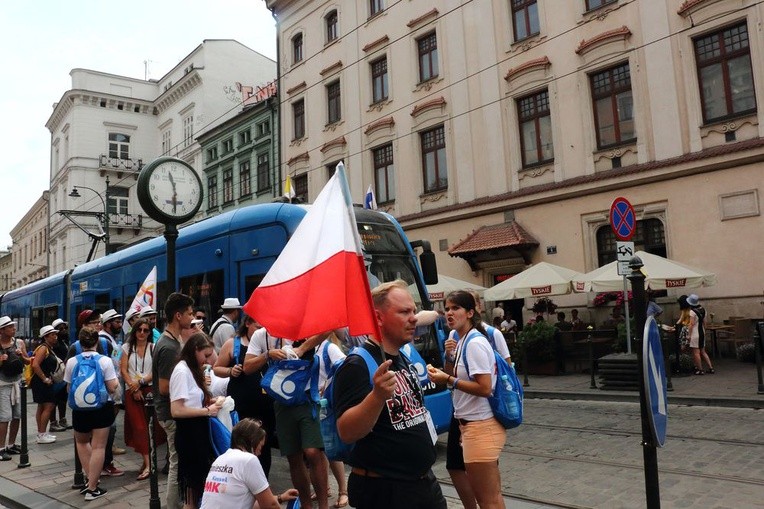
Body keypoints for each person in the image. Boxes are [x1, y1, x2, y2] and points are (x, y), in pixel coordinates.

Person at [333, 280, 447, 509]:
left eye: (413, 311)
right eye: (404, 312)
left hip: (423, 484)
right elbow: (346, 431)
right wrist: (376, 396)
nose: (413, 318)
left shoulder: (402, 356)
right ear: (378, 318)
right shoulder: (357, 364)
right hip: (386, 492)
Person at [427, 290, 505, 509]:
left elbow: (485, 388)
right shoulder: (461, 341)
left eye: (456, 308)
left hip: (480, 426)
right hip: (469, 425)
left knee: (488, 499)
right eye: (447, 309)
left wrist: (448, 379)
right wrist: (448, 359)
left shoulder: (475, 343)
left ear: (470, 312)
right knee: (489, 496)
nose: (449, 313)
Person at [246, 327, 330, 509]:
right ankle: (306, 505)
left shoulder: (302, 325)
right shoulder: (262, 334)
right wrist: (268, 354)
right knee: (293, 455)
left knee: (313, 451)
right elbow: (247, 366)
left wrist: (301, 348)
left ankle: (323, 506)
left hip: (307, 397)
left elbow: (326, 330)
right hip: (282, 400)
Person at [214, 314, 275, 477]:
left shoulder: (268, 342)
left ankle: (263, 481)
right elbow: (216, 368)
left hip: (265, 406)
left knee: (264, 445)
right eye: (257, 327)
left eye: (264, 328)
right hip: (241, 404)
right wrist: (230, 370)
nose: (261, 332)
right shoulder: (233, 344)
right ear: (247, 324)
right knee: (241, 443)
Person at [66, 309, 125, 477]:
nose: (98, 324)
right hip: (99, 400)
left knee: (106, 434)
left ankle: (101, 467)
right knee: (93, 439)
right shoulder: (75, 348)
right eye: (93, 322)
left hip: (95, 401)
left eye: (98, 321)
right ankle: (93, 475)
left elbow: (68, 384)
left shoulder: (104, 343)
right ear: (84, 327)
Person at [170, 332, 222, 509]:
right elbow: (176, 410)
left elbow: (191, 401)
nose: (208, 360)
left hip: (196, 432)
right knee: (192, 493)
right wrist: (207, 411)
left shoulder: (191, 369)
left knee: (197, 488)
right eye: (205, 355)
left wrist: (209, 403)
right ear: (194, 350)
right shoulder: (182, 371)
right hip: (189, 435)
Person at [154, 292, 196, 509]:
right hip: (171, 414)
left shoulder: (172, 340)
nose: (192, 318)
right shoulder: (169, 347)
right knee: (176, 464)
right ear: (178, 316)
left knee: (177, 463)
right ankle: (172, 506)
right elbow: (163, 387)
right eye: (189, 314)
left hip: (170, 412)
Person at [200, 418, 299, 509]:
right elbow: (270, 506)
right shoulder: (249, 460)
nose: (260, 453)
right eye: (260, 446)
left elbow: (247, 502)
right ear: (252, 442)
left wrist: (280, 498)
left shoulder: (220, 459)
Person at [120, 317, 167, 481]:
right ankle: (148, 465)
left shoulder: (154, 348)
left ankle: (147, 461)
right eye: (139, 330)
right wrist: (133, 387)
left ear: (150, 332)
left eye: (146, 330)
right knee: (139, 428)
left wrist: (139, 383)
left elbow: (156, 371)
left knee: (152, 428)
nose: (142, 333)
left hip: (149, 391)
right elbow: (123, 370)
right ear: (134, 331)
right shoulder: (127, 347)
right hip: (132, 391)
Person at [316, 332, 349, 509]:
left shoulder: (329, 348)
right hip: (312, 405)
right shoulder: (309, 348)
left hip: (326, 405)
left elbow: (345, 367)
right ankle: (324, 487)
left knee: (330, 448)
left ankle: (343, 491)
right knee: (317, 450)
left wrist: (328, 386)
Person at [0, 316, 29, 460]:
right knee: (5, 417)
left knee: (17, 415)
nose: (14, 329)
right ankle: (0, 448)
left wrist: (21, 356)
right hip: (3, 385)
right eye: (10, 327)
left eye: (13, 326)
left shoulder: (19, 343)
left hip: (18, 384)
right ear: (2, 330)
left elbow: (28, 361)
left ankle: (11, 445)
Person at [30, 325, 65, 444]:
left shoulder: (46, 348)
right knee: (48, 407)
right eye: (52, 335)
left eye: (55, 334)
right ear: (45, 337)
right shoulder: (43, 348)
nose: (55, 337)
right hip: (42, 382)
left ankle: (41, 433)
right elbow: (35, 365)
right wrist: (45, 379)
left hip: (41, 382)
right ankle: (42, 434)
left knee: (42, 407)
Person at [100, 309, 127, 459]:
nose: (120, 324)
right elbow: (114, 361)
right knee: (111, 415)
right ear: (108, 324)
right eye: (117, 322)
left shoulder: (109, 339)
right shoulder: (105, 340)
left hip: (113, 380)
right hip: (111, 382)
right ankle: (108, 445)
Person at [49, 318, 71, 432]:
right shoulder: (54, 343)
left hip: (63, 373)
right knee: (54, 399)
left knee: (63, 398)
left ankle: (62, 419)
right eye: (60, 329)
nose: (64, 330)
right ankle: (53, 423)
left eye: (65, 328)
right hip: (56, 374)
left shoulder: (64, 341)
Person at [687, 294, 714, 375]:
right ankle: (711, 368)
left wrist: (689, 335)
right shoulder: (704, 310)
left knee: (696, 352)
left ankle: (700, 369)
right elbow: (705, 323)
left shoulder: (692, 312)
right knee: (703, 351)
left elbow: (691, 324)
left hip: (695, 333)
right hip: (702, 332)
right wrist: (704, 330)